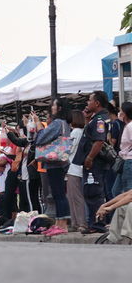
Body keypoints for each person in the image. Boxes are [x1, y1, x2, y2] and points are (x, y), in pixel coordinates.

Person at [76, 91, 116, 231]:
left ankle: (98, 224)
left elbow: (99, 141)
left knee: (94, 192)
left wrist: (89, 157)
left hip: (95, 164)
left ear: (97, 103)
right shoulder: (96, 118)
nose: (87, 103)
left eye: (89, 100)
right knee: (90, 191)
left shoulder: (99, 119)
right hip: (94, 163)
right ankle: (94, 223)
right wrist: (87, 119)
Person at [33, 100, 74, 232]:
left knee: (58, 194)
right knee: (59, 193)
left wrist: (38, 123)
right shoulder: (65, 124)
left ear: (60, 108)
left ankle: (62, 225)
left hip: (54, 162)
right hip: (60, 161)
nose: (52, 107)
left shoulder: (57, 123)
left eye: (55, 104)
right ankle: (59, 223)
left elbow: (40, 138)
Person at [115, 101, 132, 196]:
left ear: (125, 113)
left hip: (129, 161)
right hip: (125, 161)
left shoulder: (130, 126)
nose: (119, 113)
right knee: (116, 191)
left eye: (121, 110)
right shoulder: (127, 126)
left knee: (127, 191)